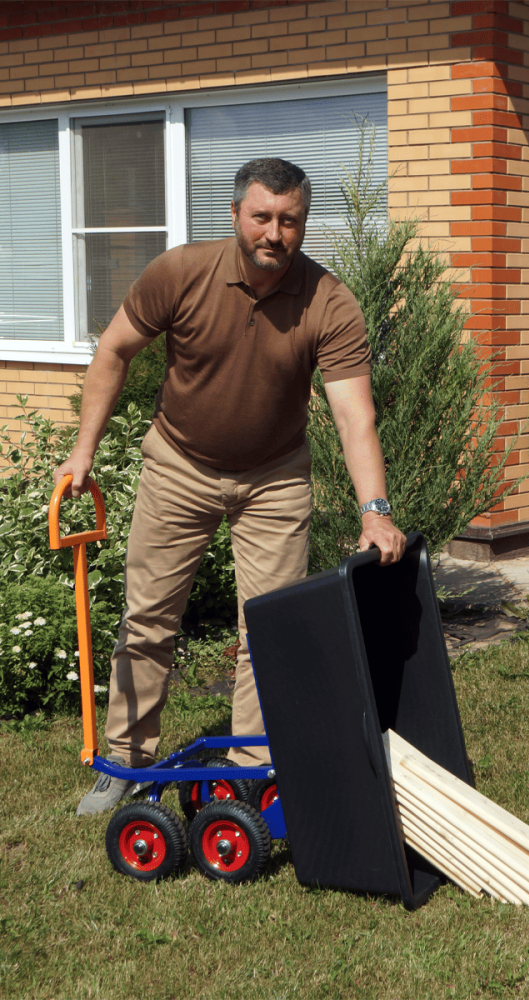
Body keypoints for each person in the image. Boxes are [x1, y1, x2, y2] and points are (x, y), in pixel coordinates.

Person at [56, 158, 407, 816]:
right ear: (236, 215)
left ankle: (253, 770)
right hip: (178, 465)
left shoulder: (329, 301)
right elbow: (114, 351)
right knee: (148, 620)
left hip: (274, 478)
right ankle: (127, 761)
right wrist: (83, 453)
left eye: (289, 220)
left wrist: (375, 510)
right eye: (261, 217)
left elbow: (353, 414)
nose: (274, 233)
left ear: (304, 223)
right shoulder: (181, 273)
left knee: (268, 630)